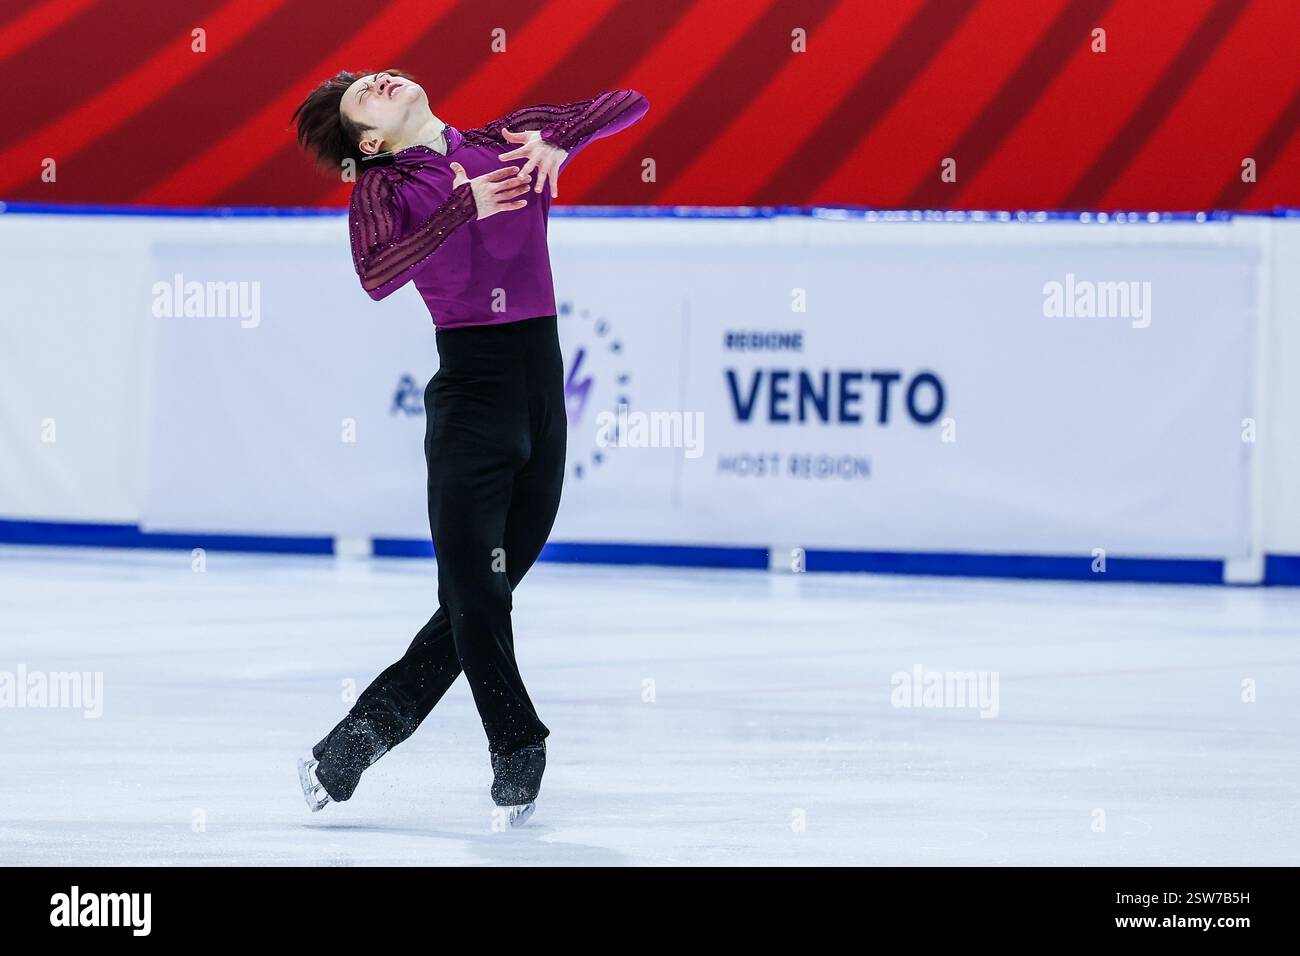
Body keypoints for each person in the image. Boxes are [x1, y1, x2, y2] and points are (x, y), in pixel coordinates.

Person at [290, 70, 648, 825]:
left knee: (476, 595)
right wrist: (462, 207)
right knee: (478, 593)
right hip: (472, 404)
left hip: (541, 394)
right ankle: (517, 745)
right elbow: (377, 274)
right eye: (363, 97)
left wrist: (563, 137)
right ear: (370, 141)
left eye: (375, 76)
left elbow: (627, 101)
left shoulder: (501, 140)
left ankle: (355, 742)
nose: (376, 81)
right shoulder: (384, 187)